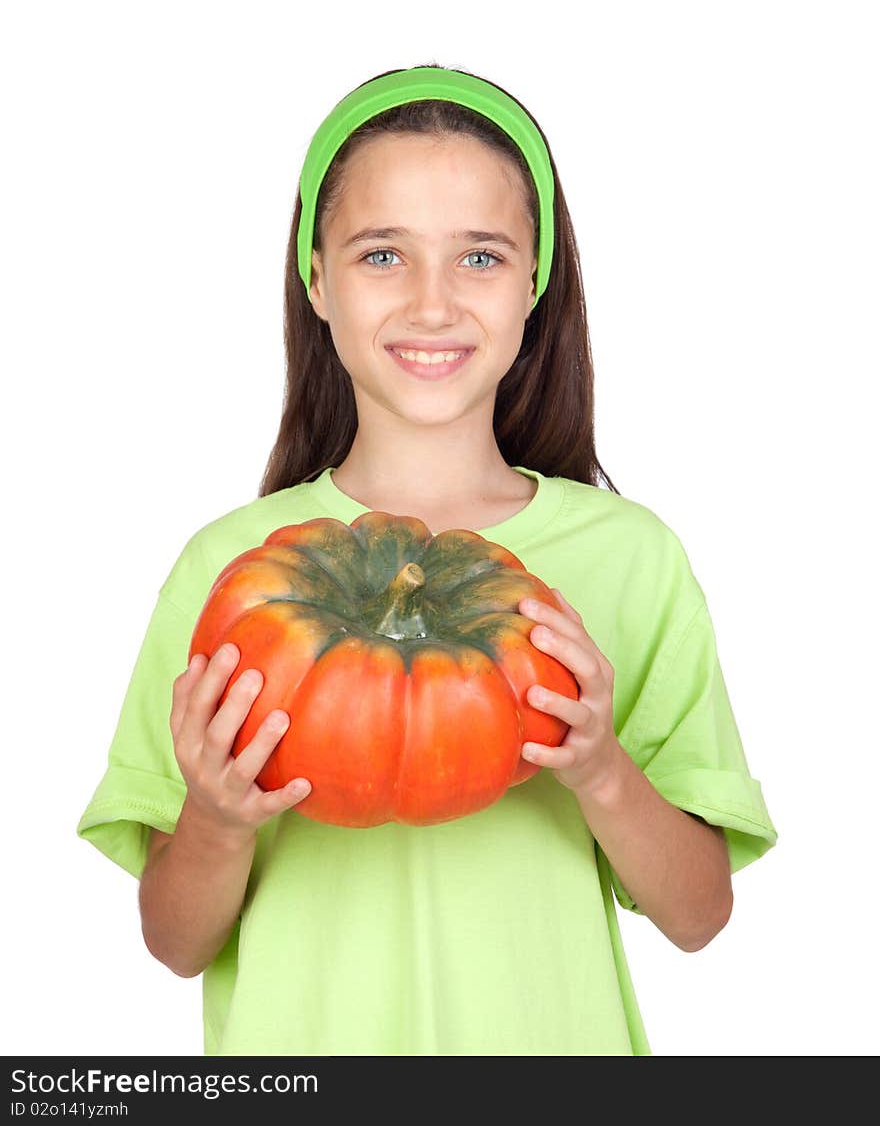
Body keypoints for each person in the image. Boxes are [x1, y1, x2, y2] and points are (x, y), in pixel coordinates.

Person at [77, 61, 778, 1057]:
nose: (433, 302)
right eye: (381, 255)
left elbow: (698, 916)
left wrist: (599, 769)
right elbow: (175, 942)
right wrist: (218, 820)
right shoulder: (227, 569)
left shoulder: (628, 557)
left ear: (535, 281)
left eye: (481, 257)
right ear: (315, 278)